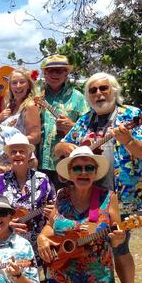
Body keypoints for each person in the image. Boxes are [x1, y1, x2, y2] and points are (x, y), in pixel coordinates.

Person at [54, 72, 142, 283]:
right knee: (90, 245)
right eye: (93, 90)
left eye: (103, 88)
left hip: (123, 195)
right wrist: (64, 146)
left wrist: (128, 140)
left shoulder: (132, 115)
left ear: (114, 90)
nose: (98, 93)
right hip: (89, 195)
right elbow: (60, 147)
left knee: (119, 246)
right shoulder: (84, 120)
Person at [37, 146, 126, 283]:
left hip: (96, 278)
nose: (83, 172)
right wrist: (41, 238)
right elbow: (50, 226)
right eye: (77, 168)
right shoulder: (62, 195)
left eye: (89, 168)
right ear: (70, 173)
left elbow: (116, 234)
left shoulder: (108, 197)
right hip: (60, 273)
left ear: (95, 172)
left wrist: (119, 238)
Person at [0, 133, 56, 259]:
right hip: (5, 243)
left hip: (37, 246)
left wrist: (51, 213)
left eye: (22, 151)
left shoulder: (42, 179)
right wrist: (3, 224)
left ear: (29, 155)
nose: (17, 155)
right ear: (9, 156)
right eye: (13, 152)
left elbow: (55, 208)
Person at [36, 55, 88, 189]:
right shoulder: (35, 95)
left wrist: (72, 127)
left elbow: (89, 130)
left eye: (59, 70)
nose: (54, 74)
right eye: (50, 70)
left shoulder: (78, 98)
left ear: (66, 73)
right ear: (45, 73)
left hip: (66, 164)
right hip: (36, 163)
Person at [0, 69, 42, 145]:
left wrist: (11, 142)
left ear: (28, 85)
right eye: (14, 83)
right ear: (10, 86)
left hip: (22, 154)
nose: (18, 86)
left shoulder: (30, 106)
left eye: (22, 82)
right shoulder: (9, 105)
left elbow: (35, 137)